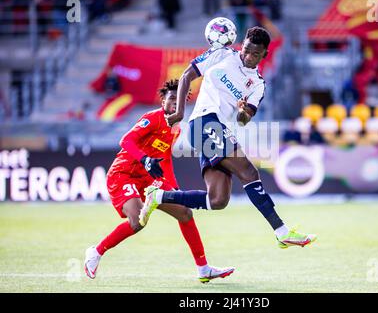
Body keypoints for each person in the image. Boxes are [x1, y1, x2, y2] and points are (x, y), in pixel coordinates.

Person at [140, 27, 317, 249]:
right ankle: (281, 231)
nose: (247, 57)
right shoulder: (222, 54)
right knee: (249, 172)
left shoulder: (258, 85)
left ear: (264, 55)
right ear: (241, 45)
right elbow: (187, 75)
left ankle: (159, 197)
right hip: (203, 122)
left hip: (220, 129)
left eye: (255, 54)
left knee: (217, 200)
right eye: (246, 50)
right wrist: (180, 113)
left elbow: (243, 119)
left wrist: (242, 111)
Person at [84, 80, 234, 283]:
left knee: (184, 212)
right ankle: (96, 252)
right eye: (171, 98)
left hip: (148, 178)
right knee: (137, 222)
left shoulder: (176, 129)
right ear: (163, 100)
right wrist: (145, 159)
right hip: (124, 173)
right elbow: (126, 141)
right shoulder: (153, 118)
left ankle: (203, 268)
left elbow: (165, 159)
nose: (175, 103)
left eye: (179, 99)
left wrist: (173, 188)